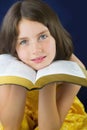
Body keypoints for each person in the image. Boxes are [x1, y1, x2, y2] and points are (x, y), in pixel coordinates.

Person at [0, 0, 87, 130]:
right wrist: (19, 79)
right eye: (23, 42)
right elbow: (10, 127)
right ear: (13, 46)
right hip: (22, 111)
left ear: (55, 35)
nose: (36, 50)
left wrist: (48, 81)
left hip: (57, 116)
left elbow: (50, 128)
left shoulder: (75, 68)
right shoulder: (7, 65)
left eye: (42, 37)